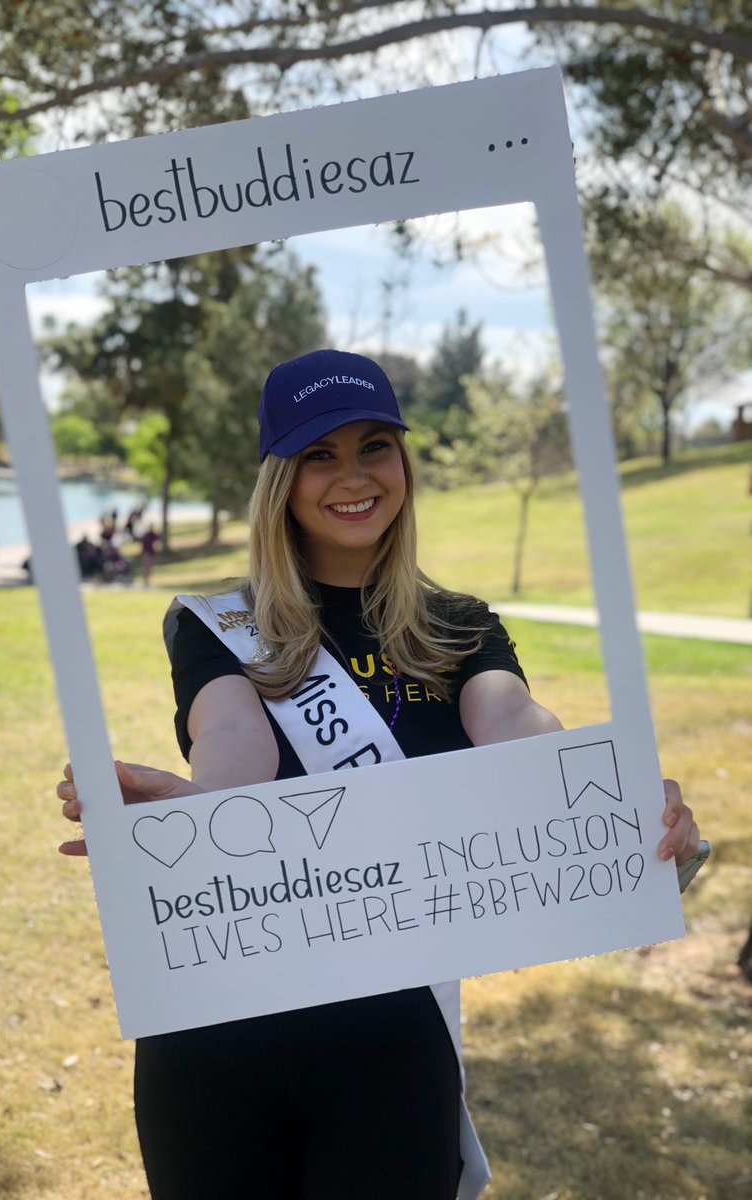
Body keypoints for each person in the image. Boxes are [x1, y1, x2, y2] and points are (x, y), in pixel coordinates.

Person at [57, 349, 701, 1200]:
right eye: (319, 454)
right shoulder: (223, 625)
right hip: (219, 1021)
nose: (352, 476)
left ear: (405, 462)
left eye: (375, 446)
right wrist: (195, 816)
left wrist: (606, 794)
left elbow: (512, 723)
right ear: (279, 479)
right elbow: (231, 744)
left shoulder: (460, 626)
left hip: (390, 1035)